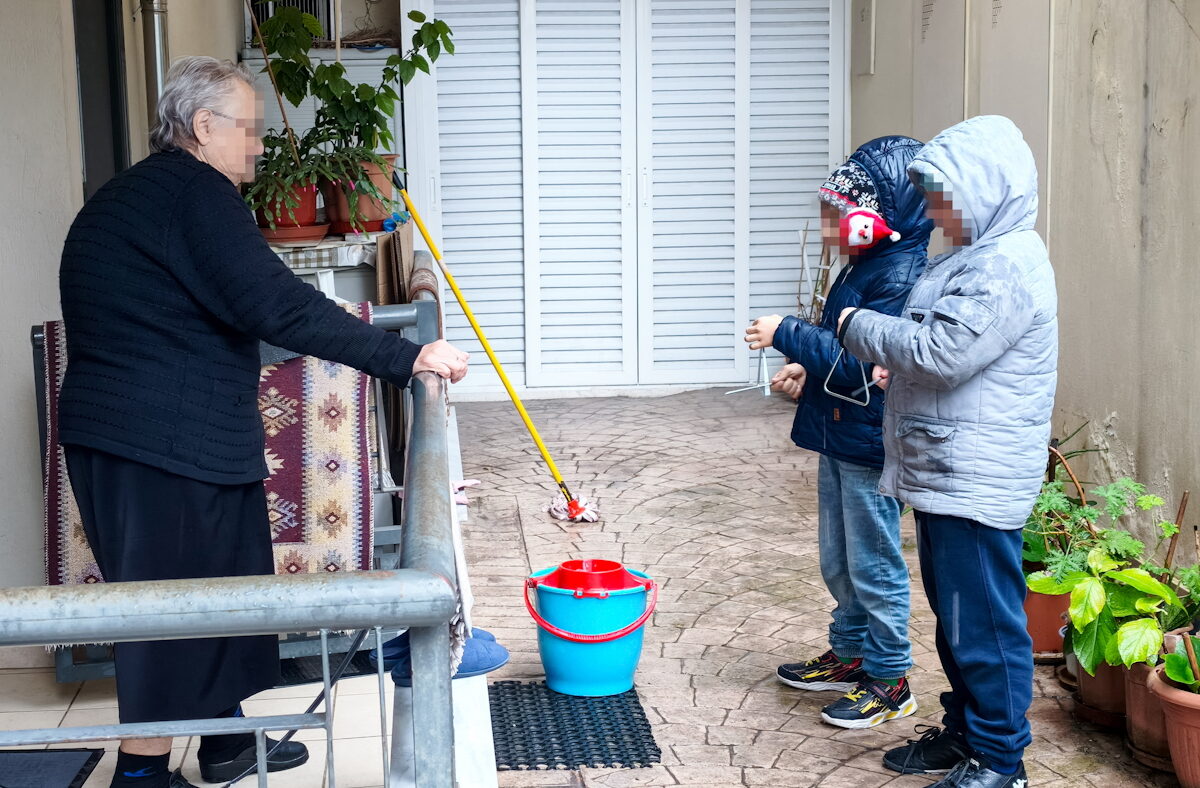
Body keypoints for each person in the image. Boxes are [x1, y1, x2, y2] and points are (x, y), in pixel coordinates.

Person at [58, 57, 470, 788]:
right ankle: (141, 774)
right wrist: (405, 357)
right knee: (169, 612)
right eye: (247, 130)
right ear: (202, 126)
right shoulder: (195, 195)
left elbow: (213, 308)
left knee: (219, 591)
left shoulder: (136, 193)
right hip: (160, 446)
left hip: (149, 438)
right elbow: (275, 303)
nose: (256, 147)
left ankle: (222, 741)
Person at [836, 115, 1057, 788]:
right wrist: (896, 368)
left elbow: (942, 353)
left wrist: (856, 326)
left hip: (975, 479)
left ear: (985, 191)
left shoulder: (1005, 267)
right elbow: (942, 346)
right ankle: (966, 732)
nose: (934, 212)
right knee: (957, 620)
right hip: (948, 470)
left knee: (984, 626)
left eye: (943, 197)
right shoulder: (974, 256)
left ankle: (1000, 760)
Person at [743, 136, 931, 729]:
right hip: (842, 431)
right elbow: (847, 357)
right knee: (840, 560)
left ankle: (890, 677)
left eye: (840, 216)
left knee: (873, 564)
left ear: (882, 216)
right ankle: (851, 653)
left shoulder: (902, 275)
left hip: (872, 444)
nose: (831, 228)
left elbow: (868, 361)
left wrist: (787, 332)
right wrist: (806, 368)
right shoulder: (867, 265)